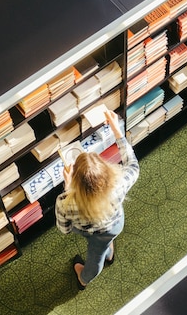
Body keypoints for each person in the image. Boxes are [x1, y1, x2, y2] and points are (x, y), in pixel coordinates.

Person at [55, 109, 139, 290]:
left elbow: (65, 230)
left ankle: (84, 278)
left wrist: (69, 187)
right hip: (115, 225)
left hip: (92, 233)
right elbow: (133, 164)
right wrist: (117, 129)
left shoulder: (65, 201)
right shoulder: (118, 184)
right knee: (106, 245)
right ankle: (110, 254)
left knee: (95, 259)